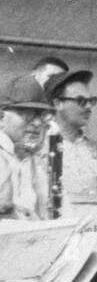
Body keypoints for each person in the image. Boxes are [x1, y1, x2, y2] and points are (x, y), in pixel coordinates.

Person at [45, 68, 97, 212]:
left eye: (91, 101)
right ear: (58, 104)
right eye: (81, 101)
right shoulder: (42, 146)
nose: (89, 107)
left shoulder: (93, 148)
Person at [0, 75, 52, 220]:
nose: (37, 123)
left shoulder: (38, 162)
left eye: (41, 115)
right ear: (1, 117)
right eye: (27, 113)